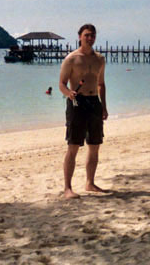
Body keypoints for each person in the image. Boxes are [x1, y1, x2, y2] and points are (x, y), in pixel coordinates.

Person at [59, 23, 108, 199]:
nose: (90, 38)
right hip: (77, 103)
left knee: (94, 145)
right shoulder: (71, 59)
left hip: (94, 101)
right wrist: (69, 93)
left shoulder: (100, 59)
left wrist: (104, 106)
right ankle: (67, 188)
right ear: (80, 36)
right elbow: (62, 84)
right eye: (86, 35)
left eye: (92, 35)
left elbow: (101, 84)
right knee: (73, 146)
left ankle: (90, 182)